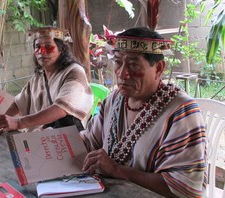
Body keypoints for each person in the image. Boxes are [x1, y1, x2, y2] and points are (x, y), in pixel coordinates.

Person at [80, 27, 206, 197]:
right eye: (118, 62)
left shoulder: (181, 112)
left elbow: (184, 188)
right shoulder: (114, 99)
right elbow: (89, 143)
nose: (122, 73)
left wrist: (117, 170)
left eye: (133, 64)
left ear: (159, 69)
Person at [0, 26, 93, 134]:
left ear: (62, 49)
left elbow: (61, 108)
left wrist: (19, 123)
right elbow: (18, 103)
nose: (42, 51)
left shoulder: (74, 72)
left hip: (69, 137)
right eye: (37, 47)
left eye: (48, 47)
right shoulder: (39, 76)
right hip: (41, 134)